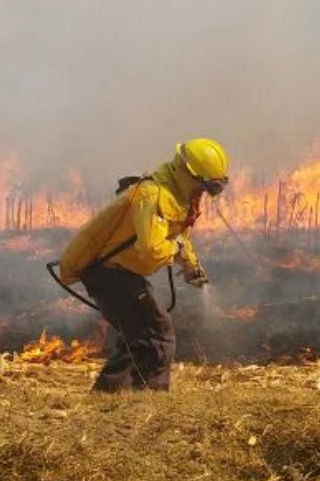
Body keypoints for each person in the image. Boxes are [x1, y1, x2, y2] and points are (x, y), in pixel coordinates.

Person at [56, 138, 229, 391]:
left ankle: (111, 398)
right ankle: (149, 401)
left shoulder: (177, 195)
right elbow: (151, 250)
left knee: (139, 337)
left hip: (122, 273)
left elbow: (176, 235)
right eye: (202, 186)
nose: (203, 192)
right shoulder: (153, 195)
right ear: (187, 173)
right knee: (156, 334)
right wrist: (176, 251)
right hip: (110, 274)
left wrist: (190, 264)